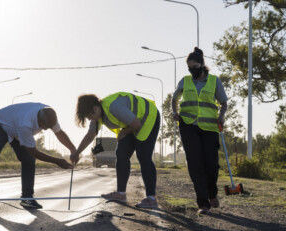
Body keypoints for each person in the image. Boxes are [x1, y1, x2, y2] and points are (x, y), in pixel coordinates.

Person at [0, 102, 75, 209]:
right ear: (39, 121)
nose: (46, 130)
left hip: (15, 127)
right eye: (45, 127)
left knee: (28, 160)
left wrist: (73, 150)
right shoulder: (25, 125)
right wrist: (57, 161)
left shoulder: (49, 114)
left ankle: (27, 198)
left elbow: (59, 133)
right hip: (0, 124)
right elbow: (34, 152)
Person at [70, 92, 160, 208]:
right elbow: (89, 136)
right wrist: (77, 153)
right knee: (121, 154)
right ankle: (121, 193)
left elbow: (136, 124)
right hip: (132, 123)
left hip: (148, 117)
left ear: (95, 108)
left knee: (143, 156)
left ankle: (151, 198)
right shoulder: (98, 115)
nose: (90, 119)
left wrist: (124, 132)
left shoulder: (114, 107)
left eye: (89, 116)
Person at [172, 47, 228, 214]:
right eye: (189, 68)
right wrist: (175, 112)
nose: (192, 71)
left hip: (210, 127)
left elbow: (223, 102)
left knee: (211, 164)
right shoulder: (185, 81)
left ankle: (212, 193)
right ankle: (203, 204)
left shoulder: (214, 81)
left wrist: (222, 116)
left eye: (194, 67)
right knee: (195, 165)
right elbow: (174, 99)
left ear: (202, 65)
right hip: (188, 125)